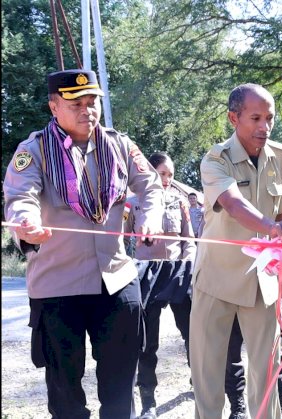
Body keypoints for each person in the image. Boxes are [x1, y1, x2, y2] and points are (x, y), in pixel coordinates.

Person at [3, 69, 163, 418]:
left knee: (120, 387)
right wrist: (27, 224)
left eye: (92, 103)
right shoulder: (33, 150)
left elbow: (150, 186)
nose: (87, 111)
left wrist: (150, 218)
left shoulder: (119, 145)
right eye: (76, 103)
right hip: (58, 287)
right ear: (53, 106)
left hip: (116, 280)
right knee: (65, 395)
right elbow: (19, 197)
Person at [191, 83, 282, 419]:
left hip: (261, 284)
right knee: (207, 376)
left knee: (266, 376)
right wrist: (272, 228)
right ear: (233, 118)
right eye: (255, 118)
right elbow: (232, 204)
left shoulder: (278, 157)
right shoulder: (215, 160)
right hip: (215, 280)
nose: (264, 126)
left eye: (270, 118)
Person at [125, 152, 254, 419]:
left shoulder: (180, 200)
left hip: (177, 272)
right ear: (150, 172)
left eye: (170, 174)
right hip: (146, 274)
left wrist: (187, 267)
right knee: (146, 343)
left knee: (193, 336)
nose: (167, 179)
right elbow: (125, 241)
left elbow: (189, 240)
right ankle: (148, 401)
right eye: (162, 173)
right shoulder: (133, 203)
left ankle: (199, 383)